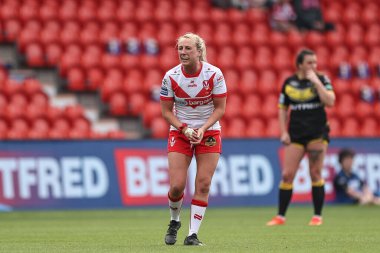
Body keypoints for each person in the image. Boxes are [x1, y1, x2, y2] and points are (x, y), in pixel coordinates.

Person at [160, 33, 227, 246]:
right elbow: (166, 112)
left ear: (199, 51)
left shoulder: (214, 74)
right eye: (180, 48)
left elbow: (220, 108)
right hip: (180, 132)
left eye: (188, 48)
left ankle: (192, 235)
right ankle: (174, 221)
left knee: (204, 183)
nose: (183, 52)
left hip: (209, 132)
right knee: (177, 186)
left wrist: (203, 128)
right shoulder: (170, 76)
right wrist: (184, 128)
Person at [266, 49, 336, 226]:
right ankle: (280, 217)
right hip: (296, 134)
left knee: (315, 173)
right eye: (309, 63)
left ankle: (317, 216)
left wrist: (316, 82)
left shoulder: (322, 79)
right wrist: (283, 131)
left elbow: (330, 101)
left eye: (315, 62)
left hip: (317, 134)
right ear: (299, 65)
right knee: (287, 174)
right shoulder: (289, 83)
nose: (313, 66)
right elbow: (282, 108)